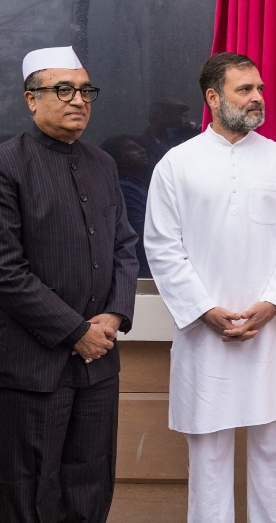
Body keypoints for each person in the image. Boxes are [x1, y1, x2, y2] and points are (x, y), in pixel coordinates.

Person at [145, 52, 276, 523]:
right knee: (207, 462)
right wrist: (206, 310)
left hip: (273, 335)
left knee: (273, 462)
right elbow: (163, 248)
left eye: (259, 89)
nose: (257, 98)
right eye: (245, 90)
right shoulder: (176, 165)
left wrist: (270, 306)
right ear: (212, 97)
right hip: (206, 338)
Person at [0, 46, 138, 523]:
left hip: (98, 367)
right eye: (63, 89)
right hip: (32, 368)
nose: (78, 99)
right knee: (28, 492)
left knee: (91, 484)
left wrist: (116, 314)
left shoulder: (102, 163)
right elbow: (6, 270)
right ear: (31, 99)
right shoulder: (7, 165)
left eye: (85, 90)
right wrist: (75, 331)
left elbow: (124, 245)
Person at [101, 135, 152, 278]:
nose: (142, 150)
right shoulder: (124, 189)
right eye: (131, 149)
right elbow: (142, 231)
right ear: (117, 160)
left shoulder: (138, 185)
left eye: (140, 146)